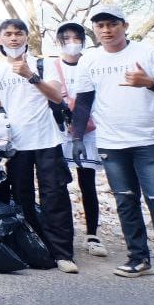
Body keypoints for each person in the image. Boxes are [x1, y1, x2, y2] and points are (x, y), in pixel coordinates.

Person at [70, 3, 154, 281]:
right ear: (95, 30)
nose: (106, 30)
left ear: (125, 26)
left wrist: (148, 82)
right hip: (111, 142)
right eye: (100, 25)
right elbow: (84, 100)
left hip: (150, 141)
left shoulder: (148, 53)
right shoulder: (90, 59)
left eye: (112, 24)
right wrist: (77, 137)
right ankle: (138, 259)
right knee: (125, 201)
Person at [0, 18, 77, 273]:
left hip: (47, 140)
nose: (14, 38)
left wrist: (31, 76)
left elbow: (58, 97)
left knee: (54, 196)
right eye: (9, 34)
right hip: (17, 145)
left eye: (19, 34)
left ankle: (62, 253)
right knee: (21, 197)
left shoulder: (44, 64)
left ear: (27, 37)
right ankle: (32, 248)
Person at [46, 21, 108, 257]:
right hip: (60, 130)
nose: (72, 43)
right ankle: (63, 234)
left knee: (87, 182)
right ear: (58, 41)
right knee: (58, 183)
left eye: (76, 37)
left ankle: (92, 234)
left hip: (90, 129)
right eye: (66, 38)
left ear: (84, 39)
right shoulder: (51, 66)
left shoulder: (92, 63)